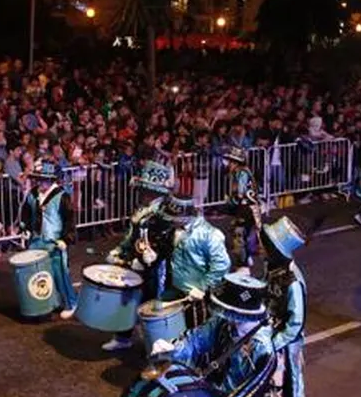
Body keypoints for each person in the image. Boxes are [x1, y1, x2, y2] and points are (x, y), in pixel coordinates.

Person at [102, 159, 174, 352]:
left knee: (153, 305)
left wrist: (150, 259)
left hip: (155, 270)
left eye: (145, 190)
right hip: (135, 264)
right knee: (126, 299)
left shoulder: (164, 214)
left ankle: (156, 345)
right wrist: (120, 250)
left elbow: (164, 244)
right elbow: (131, 236)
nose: (142, 193)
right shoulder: (142, 209)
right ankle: (123, 337)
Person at [259, 216, 308, 397]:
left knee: (276, 390)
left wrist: (274, 342)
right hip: (267, 337)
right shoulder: (273, 268)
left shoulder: (293, 282)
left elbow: (295, 323)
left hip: (282, 345)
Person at [160, 191, 232, 328]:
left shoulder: (210, 234)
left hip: (198, 296)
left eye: (174, 218)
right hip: (175, 289)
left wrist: (202, 287)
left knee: (196, 332)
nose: (170, 221)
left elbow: (221, 265)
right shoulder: (174, 229)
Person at [17, 159, 78, 319]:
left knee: (60, 273)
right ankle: (49, 302)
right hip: (36, 241)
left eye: (44, 179)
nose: (40, 182)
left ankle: (71, 302)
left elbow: (69, 220)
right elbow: (26, 212)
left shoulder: (62, 196)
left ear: (52, 180)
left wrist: (66, 239)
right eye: (38, 179)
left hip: (55, 242)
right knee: (40, 273)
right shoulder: (33, 194)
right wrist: (25, 229)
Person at [224, 146, 261, 272]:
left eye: (231, 162)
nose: (229, 164)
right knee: (246, 233)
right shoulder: (246, 171)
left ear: (237, 162)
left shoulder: (241, 173)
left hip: (246, 209)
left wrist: (230, 200)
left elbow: (240, 193)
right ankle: (247, 258)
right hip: (252, 208)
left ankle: (242, 265)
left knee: (238, 234)